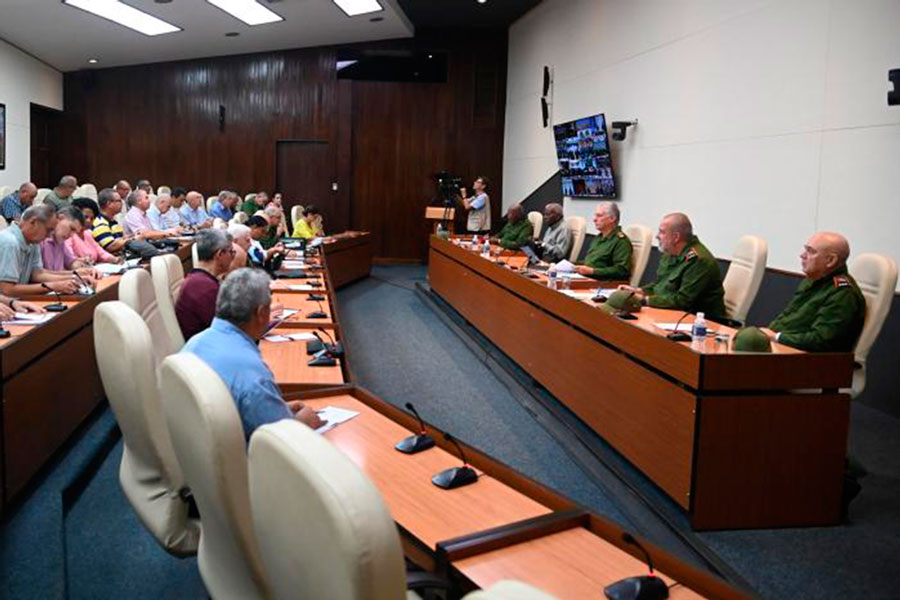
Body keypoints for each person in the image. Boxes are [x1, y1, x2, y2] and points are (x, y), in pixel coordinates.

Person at [181, 268, 323, 439]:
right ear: (262, 313)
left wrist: (276, 406)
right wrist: (302, 423)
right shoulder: (254, 377)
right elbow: (281, 441)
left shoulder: (193, 344)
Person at [766, 232, 865, 352]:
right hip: (785, 346)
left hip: (811, 360)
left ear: (831, 260)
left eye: (811, 251)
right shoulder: (813, 279)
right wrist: (769, 334)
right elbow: (789, 316)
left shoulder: (842, 293)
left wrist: (776, 337)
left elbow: (820, 341)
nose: (802, 255)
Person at [620, 212, 725, 318]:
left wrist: (644, 300)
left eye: (662, 232)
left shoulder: (698, 260)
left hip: (701, 322)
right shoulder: (670, 252)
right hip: (672, 313)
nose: (657, 236)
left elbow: (682, 301)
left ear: (676, 237)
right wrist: (638, 291)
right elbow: (660, 285)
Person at [0, 204, 90, 296]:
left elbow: (37, 274)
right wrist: (53, 286)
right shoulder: (10, 242)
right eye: (48, 230)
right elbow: (7, 290)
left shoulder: (33, 242)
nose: (49, 235)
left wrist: (75, 278)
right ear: (33, 222)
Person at [175, 229, 235, 342]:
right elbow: (229, 330)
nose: (233, 257)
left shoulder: (199, 280)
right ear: (220, 254)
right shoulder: (204, 288)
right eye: (231, 252)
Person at [575, 202, 632, 280]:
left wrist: (593, 271)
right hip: (589, 278)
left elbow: (621, 270)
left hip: (603, 283)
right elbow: (590, 262)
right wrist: (572, 266)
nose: (594, 219)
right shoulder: (599, 238)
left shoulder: (621, 241)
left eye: (599, 216)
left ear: (612, 218)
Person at [40, 206, 96, 271]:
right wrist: (73, 274)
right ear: (60, 218)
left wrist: (87, 270)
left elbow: (72, 262)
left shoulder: (61, 241)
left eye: (75, 232)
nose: (71, 235)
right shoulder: (40, 240)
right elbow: (39, 274)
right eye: (71, 228)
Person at [68, 198, 120, 264]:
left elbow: (101, 253)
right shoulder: (68, 236)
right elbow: (69, 259)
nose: (89, 221)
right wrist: (83, 261)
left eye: (92, 218)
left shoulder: (88, 234)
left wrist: (115, 259)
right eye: (85, 217)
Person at [93, 188, 128, 254]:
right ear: (109, 203)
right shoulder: (100, 222)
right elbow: (110, 246)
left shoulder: (113, 221)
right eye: (119, 201)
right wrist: (133, 240)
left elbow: (122, 238)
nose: (122, 203)